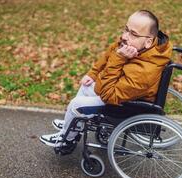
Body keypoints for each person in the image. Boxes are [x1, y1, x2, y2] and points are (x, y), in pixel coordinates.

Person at [40, 10, 172, 147]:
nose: (125, 36)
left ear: (148, 42)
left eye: (133, 34)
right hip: (117, 90)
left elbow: (109, 96)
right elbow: (109, 53)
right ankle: (73, 123)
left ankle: (66, 140)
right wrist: (93, 73)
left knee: (76, 104)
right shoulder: (137, 48)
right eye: (126, 29)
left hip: (126, 104)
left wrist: (119, 58)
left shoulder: (144, 70)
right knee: (86, 86)